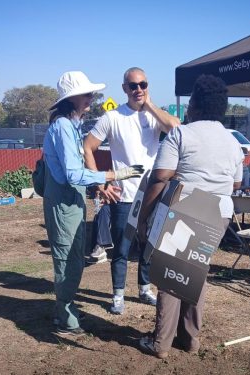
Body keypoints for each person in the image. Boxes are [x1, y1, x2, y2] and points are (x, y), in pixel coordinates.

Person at [136, 74, 244, 358]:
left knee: (171, 273)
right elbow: (236, 184)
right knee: (197, 271)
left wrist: (143, 217)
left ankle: (160, 343)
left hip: (187, 207)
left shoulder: (182, 134)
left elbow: (159, 178)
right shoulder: (232, 142)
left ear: (194, 104)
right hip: (219, 213)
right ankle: (190, 338)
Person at [43, 70, 144, 337]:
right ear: (73, 98)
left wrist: (100, 184)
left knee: (74, 259)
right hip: (64, 202)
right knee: (68, 261)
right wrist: (114, 174)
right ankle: (66, 320)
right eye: (87, 94)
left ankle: (64, 312)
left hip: (70, 200)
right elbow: (73, 174)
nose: (91, 97)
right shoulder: (64, 126)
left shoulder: (70, 124)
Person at [83, 67, 180, 315]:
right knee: (122, 249)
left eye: (143, 84)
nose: (139, 89)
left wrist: (149, 106)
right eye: (133, 85)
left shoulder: (155, 116)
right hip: (123, 195)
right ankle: (118, 295)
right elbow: (88, 147)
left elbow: (176, 128)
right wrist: (100, 183)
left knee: (150, 245)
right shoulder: (112, 117)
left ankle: (144, 288)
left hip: (153, 194)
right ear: (124, 88)